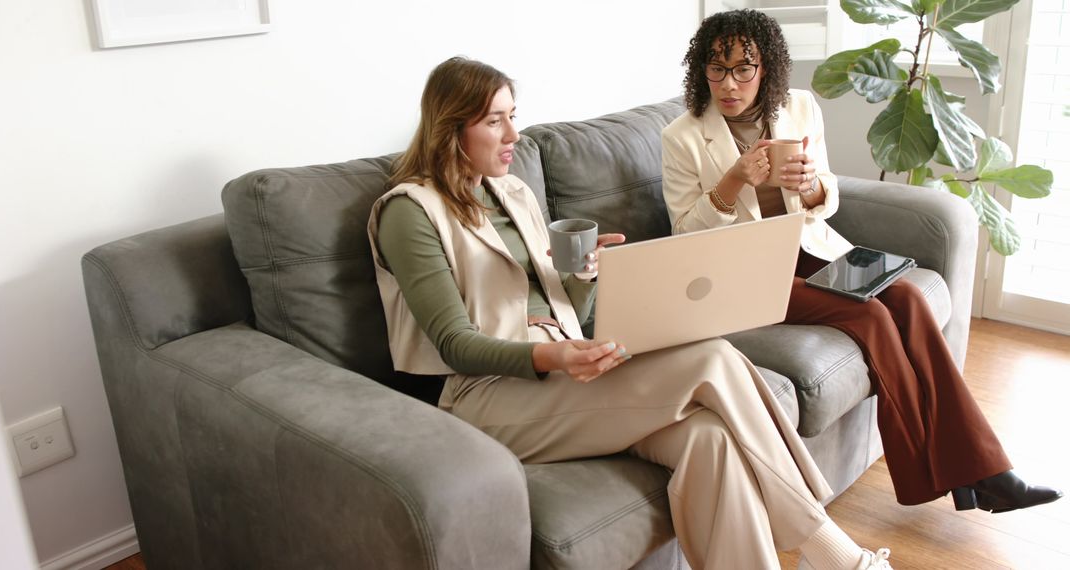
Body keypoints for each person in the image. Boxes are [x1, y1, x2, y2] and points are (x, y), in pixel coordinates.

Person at [367, 56, 894, 570]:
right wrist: (554, 356)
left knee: (709, 439)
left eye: (513, 115)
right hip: (486, 396)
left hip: (566, 371)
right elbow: (454, 344)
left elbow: (565, 306)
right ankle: (831, 550)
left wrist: (585, 278)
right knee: (711, 358)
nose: (513, 136)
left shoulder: (513, 192)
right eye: (494, 121)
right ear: (449, 128)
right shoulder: (410, 212)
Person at [661, 9, 1062, 513]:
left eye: (744, 68)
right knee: (868, 315)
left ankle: (988, 468)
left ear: (766, 69)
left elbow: (827, 197)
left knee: (909, 299)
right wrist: (733, 180)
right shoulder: (682, 135)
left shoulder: (800, 108)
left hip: (809, 250)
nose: (729, 82)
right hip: (742, 275)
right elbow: (683, 235)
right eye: (716, 69)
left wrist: (809, 186)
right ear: (702, 70)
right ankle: (928, 474)